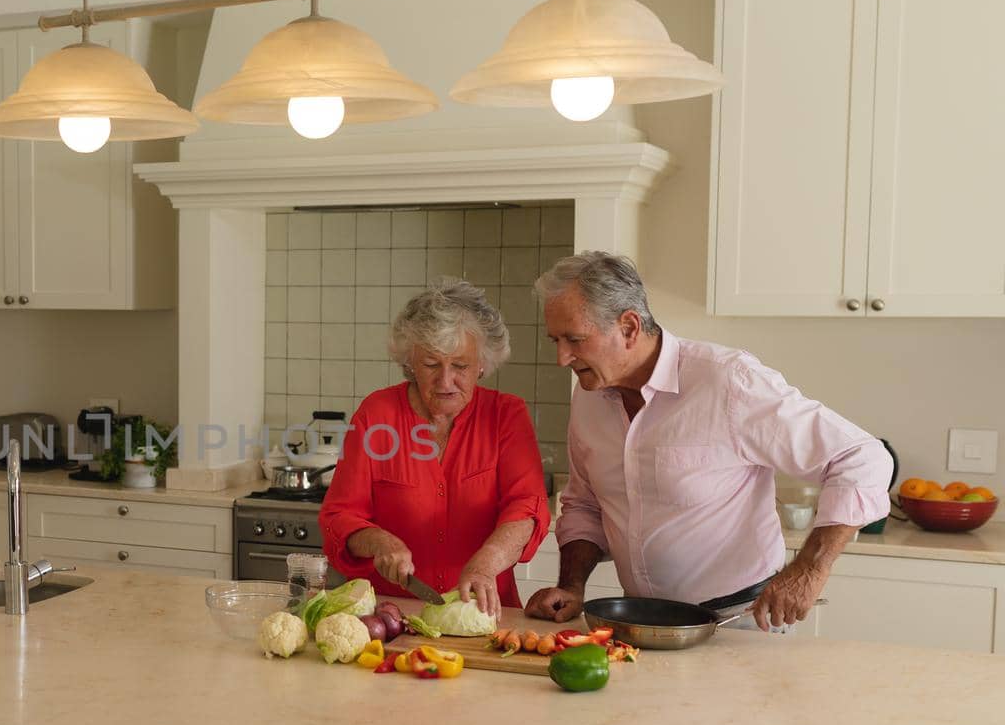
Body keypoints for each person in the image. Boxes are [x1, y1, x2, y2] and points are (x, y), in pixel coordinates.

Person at [523, 252, 892, 631]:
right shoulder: (589, 393)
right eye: (556, 340)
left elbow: (862, 457)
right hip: (640, 621)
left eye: (575, 340)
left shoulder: (729, 381)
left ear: (630, 327)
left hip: (741, 620)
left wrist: (809, 570)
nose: (562, 358)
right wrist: (572, 585)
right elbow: (585, 503)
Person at [319, 280, 550, 615]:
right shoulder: (376, 414)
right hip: (393, 615)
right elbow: (340, 515)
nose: (445, 382)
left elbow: (527, 507)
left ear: (483, 363)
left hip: (480, 613)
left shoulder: (505, 415)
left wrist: (486, 565)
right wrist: (379, 541)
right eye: (430, 365)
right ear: (410, 362)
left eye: (460, 366)